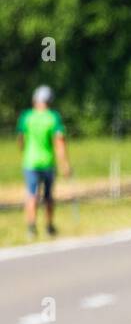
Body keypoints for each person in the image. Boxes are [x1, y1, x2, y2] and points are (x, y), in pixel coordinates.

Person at [16, 85, 72, 240]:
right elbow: (59, 143)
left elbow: (20, 140)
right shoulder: (53, 117)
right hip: (48, 162)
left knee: (31, 195)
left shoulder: (26, 116)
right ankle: (49, 226)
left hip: (30, 162)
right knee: (48, 197)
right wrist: (65, 164)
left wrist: (25, 150)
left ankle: (31, 228)